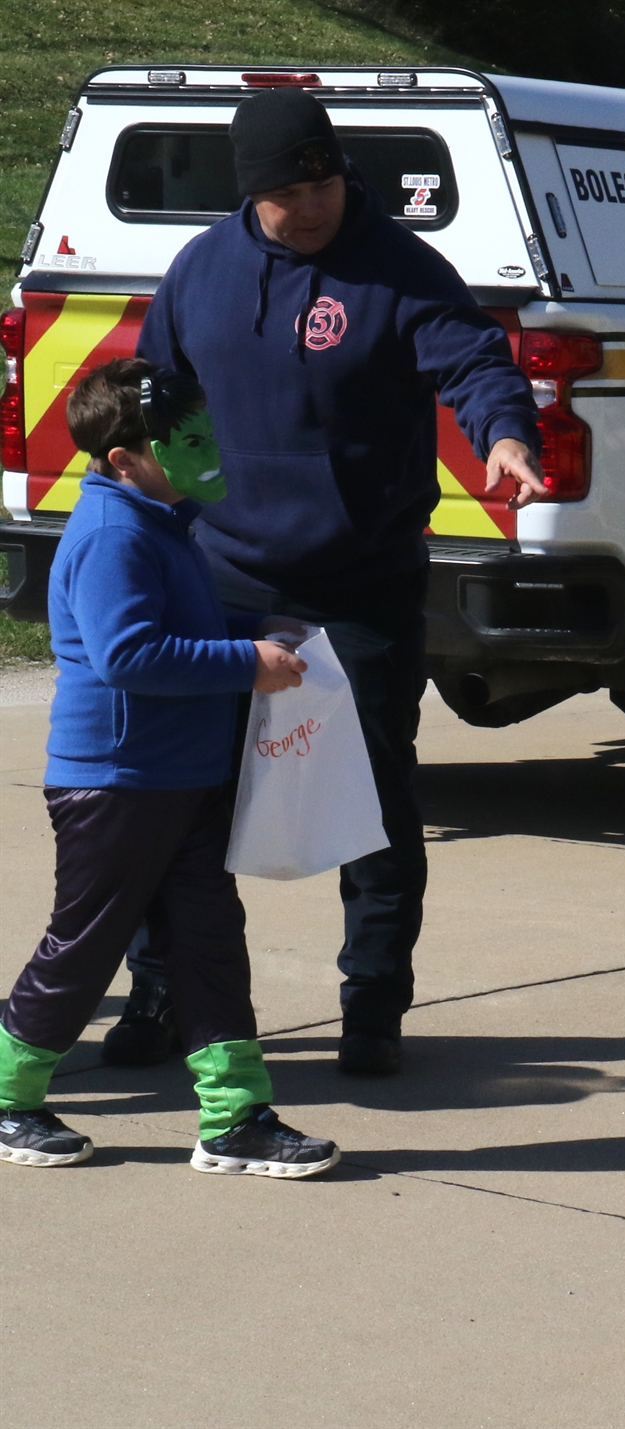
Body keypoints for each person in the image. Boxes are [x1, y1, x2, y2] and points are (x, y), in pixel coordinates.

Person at [135, 87, 544, 1076]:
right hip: (224, 585)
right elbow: (160, 396)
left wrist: (505, 433)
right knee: (183, 807)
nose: (312, 205)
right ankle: (160, 994)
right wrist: (176, 511)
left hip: (359, 588)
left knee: (372, 810)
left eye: (324, 181)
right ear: (250, 195)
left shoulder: (399, 269)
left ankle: (372, 1006)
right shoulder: (202, 270)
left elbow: (476, 364)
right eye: (289, 192)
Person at [0, 359, 339, 1178]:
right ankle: (10, 1095)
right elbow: (130, 653)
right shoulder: (116, 533)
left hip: (178, 777)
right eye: (187, 441)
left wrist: (257, 623)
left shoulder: (160, 520)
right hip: (117, 783)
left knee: (208, 939)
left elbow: (177, 619)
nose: (208, 449)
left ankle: (233, 1115)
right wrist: (244, 660)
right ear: (126, 458)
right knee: (86, 943)